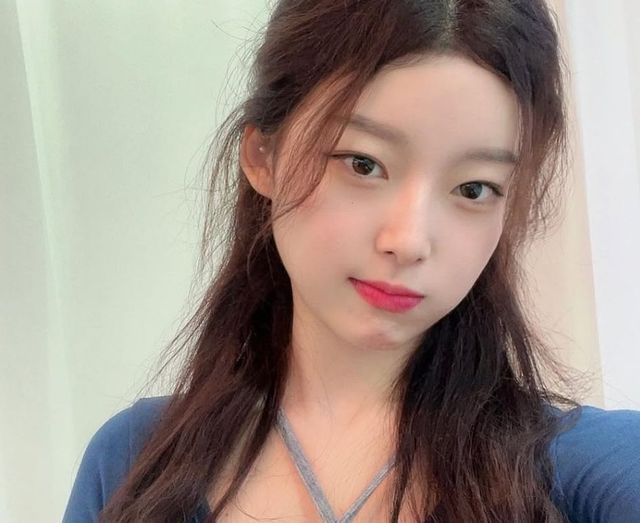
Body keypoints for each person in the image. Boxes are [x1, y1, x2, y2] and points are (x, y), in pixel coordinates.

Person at [62, 0, 640, 522]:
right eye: (363, 163)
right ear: (263, 155)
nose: (409, 240)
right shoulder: (133, 464)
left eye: (474, 188)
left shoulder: (582, 468)